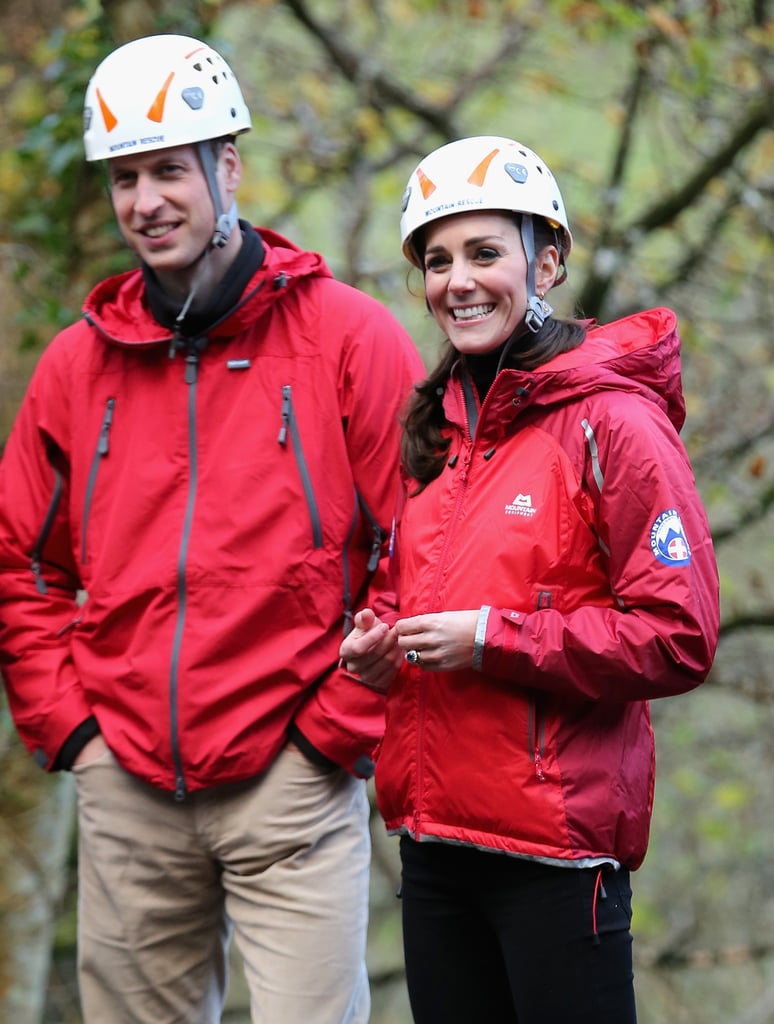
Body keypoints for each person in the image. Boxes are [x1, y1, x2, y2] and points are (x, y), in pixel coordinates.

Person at [0, 34, 424, 1024]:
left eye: (167, 170)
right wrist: (71, 726)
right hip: (127, 783)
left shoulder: (349, 340)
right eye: (124, 177)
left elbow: (428, 547)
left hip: (294, 780)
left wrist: (334, 729)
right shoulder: (77, 364)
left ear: (226, 164)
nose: (144, 200)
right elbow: (20, 556)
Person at [339, 135, 720, 1023]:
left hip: (556, 858)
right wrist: (382, 644)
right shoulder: (440, 435)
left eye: (484, 253)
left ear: (545, 260)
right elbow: (423, 603)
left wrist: (490, 640)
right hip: (434, 849)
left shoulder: (616, 425)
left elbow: (680, 635)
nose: (458, 281)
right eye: (437, 261)